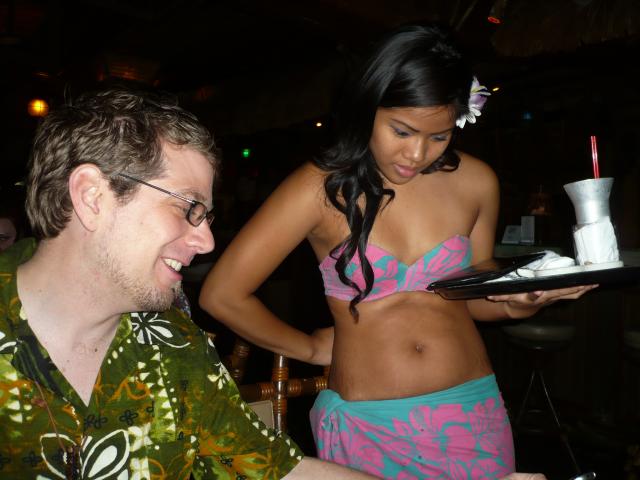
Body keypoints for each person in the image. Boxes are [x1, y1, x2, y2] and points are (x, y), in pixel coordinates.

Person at [199, 24, 595, 479]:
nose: (417, 153)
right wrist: (307, 347)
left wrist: (519, 303)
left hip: (470, 411)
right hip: (369, 422)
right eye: (401, 131)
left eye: (439, 136)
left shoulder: (477, 182)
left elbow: (470, 299)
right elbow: (222, 294)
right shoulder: (318, 188)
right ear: (368, 108)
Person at [0, 88, 382, 479]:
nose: (207, 242)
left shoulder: (176, 343)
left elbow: (277, 471)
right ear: (92, 196)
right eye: (187, 208)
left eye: (206, 216)